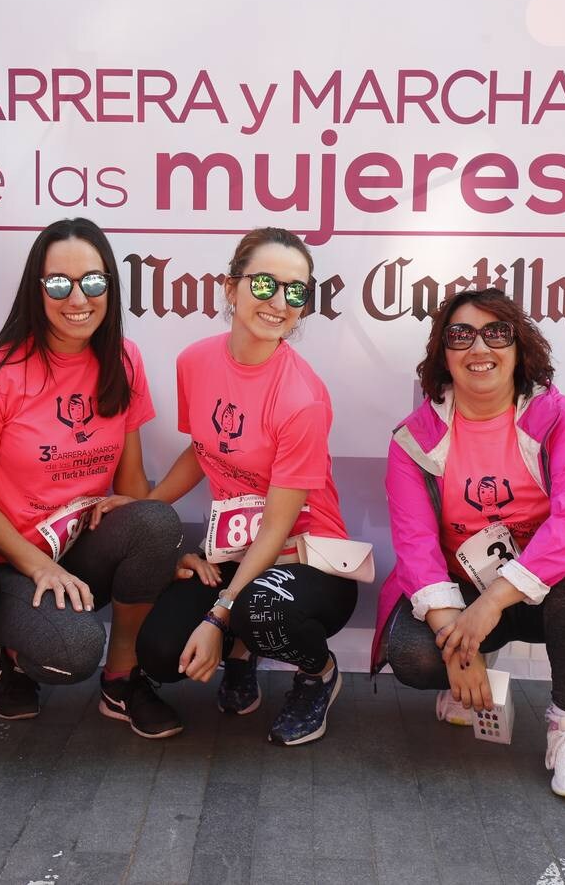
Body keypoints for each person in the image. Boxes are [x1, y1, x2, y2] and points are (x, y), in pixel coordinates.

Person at [374, 289, 565, 800]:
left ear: (520, 347)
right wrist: (454, 643)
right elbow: (416, 546)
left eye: (497, 333)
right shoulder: (412, 439)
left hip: (534, 592)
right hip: (462, 594)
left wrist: (493, 602)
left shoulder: (560, 419)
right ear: (443, 354)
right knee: (416, 656)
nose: (479, 348)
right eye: (460, 335)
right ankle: (467, 680)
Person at [0, 219, 184, 738]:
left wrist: (166, 546)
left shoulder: (123, 360)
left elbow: (131, 491)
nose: (78, 297)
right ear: (36, 291)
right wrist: (38, 567)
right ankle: (14, 655)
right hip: (10, 564)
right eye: (59, 282)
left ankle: (123, 678)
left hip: (82, 551)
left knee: (156, 520)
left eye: (94, 281)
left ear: (111, 286)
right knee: (71, 653)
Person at [136, 227, 357, 747]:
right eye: (264, 285)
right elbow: (204, 449)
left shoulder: (303, 399)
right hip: (236, 550)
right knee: (162, 653)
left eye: (295, 291)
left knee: (261, 609)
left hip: (306, 556)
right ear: (230, 288)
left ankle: (318, 674)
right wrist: (146, 507)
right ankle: (242, 648)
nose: (279, 302)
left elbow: (279, 525)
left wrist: (219, 614)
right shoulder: (195, 361)